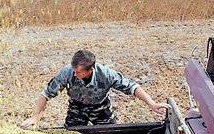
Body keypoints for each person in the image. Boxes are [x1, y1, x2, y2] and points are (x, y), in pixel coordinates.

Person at [20, 49, 170, 128]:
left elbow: (132, 87)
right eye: (74, 70)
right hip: (77, 107)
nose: (75, 74)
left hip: (100, 107)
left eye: (78, 72)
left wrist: (152, 103)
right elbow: (46, 94)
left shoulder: (106, 74)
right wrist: (35, 117)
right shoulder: (67, 73)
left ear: (90, 70)